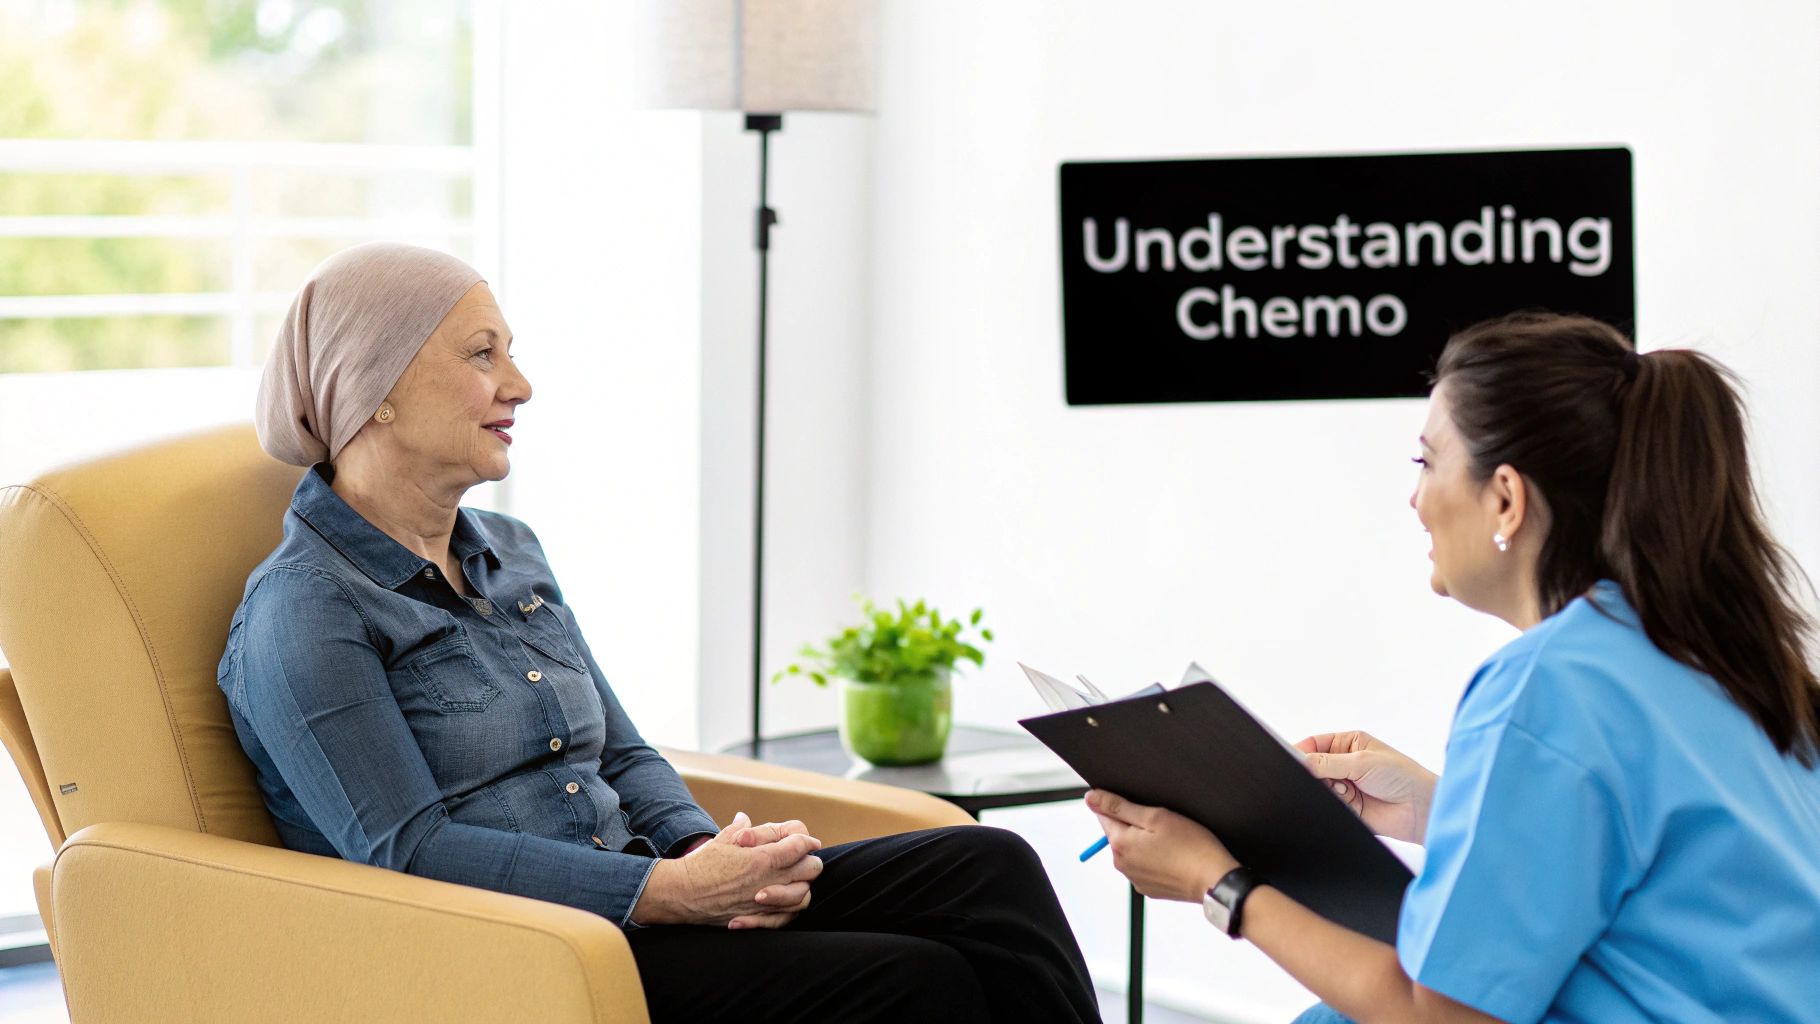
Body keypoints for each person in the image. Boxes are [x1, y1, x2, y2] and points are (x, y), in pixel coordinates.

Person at [218, 242, 1100, 1023]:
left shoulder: (510, 553)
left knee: (989, 868)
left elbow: (623, 752)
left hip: (650, 895)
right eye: (483, 355)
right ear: (373, 391)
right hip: (533, 953)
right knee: (919, 980)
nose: (519, 385)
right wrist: (668, 891)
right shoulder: (306, 609)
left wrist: (703, 852)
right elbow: (408, 853)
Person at [1087, 313, 1820, 1023]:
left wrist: (1220, 883)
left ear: (1505, 498)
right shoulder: (1722, 656)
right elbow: (1658, 870)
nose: (1415, 500)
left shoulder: (1547, 686)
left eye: (1427, 463)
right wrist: (1432, 808)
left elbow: (1440, 1018)